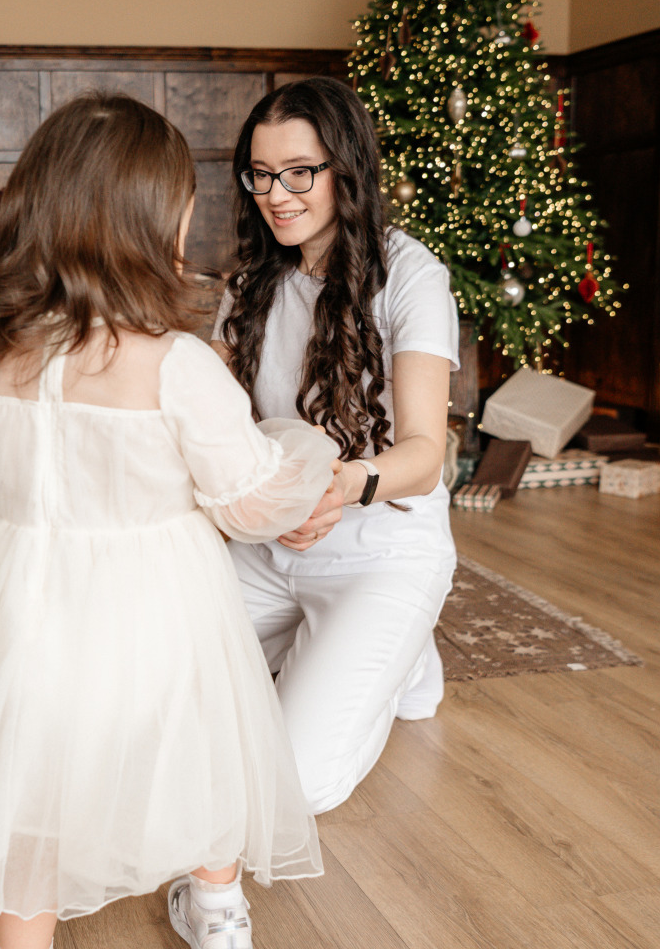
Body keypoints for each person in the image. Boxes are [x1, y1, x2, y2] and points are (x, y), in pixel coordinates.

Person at [0, 94, 338, 949]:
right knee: (193, 742)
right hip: (160, 606)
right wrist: (307, 458)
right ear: (150, 227)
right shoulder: (179, 364)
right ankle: (216, 909)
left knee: (28, 771)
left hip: (24, 601)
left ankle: (22, 938)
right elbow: (246, 503)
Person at [214, 76, 460, 815]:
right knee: (158, 701)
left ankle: (395, 645)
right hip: (265, 546)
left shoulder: (410, 276)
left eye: (298, 173)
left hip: (378, 549)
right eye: (259, 174)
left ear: (345, 168)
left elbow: (424, 454)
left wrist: (343, 487)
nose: (275, 194)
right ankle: (364, 650)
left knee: (295, 785)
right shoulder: (249, 284)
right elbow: (216, 424)